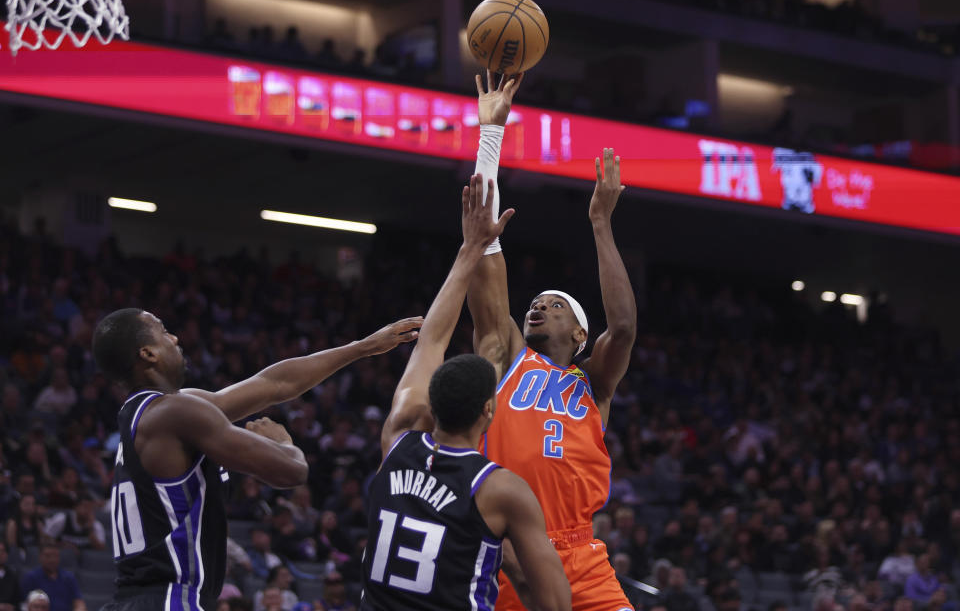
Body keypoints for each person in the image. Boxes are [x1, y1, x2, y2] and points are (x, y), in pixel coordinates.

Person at [91, 307, 422, 611]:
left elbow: (274, 384)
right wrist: (284, 443)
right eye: (163, 332)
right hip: (168, 599)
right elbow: (291, 471)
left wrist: (362, 347)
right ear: (147, 354)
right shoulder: (174, 413)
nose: (174, 338)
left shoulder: (153, 413)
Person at [467, 70, 637, 610]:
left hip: (580, 554)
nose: (538, 305)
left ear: (580, 334)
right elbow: (484, 252)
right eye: (535, 302)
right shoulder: (505, 355)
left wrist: (601, 224)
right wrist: (489, 138)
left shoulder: (594, 384)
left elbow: (626, 326)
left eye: (555, 304)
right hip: (505, 553)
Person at [360, 175, 571, 611]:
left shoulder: (397, 438)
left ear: (430, 404)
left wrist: (469, 248)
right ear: (488, 410)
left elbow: (429, 342)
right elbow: (554, 604)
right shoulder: (500, 489)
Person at [20, 544, 84, 611]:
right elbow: (23, 605)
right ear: (40, 557)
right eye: (48, 556)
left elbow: (79, 604)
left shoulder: (69, 578)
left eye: (55, 556)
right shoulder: (30, 578)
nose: (52, 560)